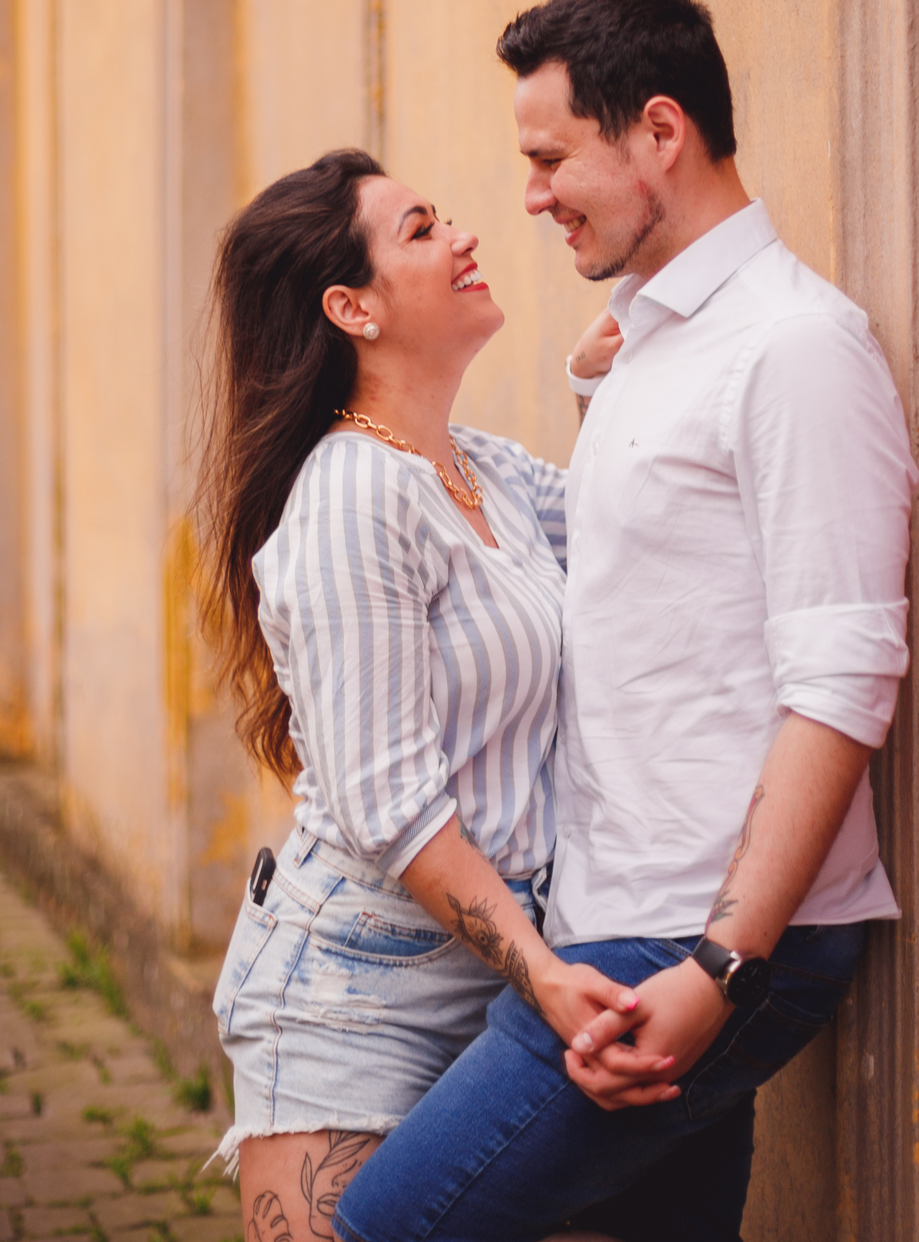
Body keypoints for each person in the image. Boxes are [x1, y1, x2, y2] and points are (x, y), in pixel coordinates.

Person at [332, 0, 919, 1242]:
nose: (530, 194)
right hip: (617, 916)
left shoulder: (797, 349)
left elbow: (842, 681)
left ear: (660, 133)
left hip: (689, 939)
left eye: (550, 158)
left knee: (388, 1226)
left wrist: (720, 968)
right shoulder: (652, 344)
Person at [196, 148, 641, 1242]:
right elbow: (391, 801)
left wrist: (602, 390)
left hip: (497, 975)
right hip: (357, 997)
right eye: (421, 229)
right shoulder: (353, 497)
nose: (464, 238)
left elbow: (615, 547)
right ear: (351, 307)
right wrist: (544, 974)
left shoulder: (470, 466)